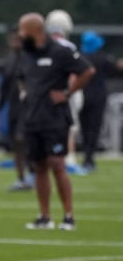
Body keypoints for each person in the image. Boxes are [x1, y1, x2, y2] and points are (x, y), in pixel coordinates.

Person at [17, 12, 95, 231]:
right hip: (32, 119)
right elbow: (21, 79)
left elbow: (87, 71)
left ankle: (68, 216)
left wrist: (68, 92)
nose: (20, 34)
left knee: (58, 164)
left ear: (36, 30)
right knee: (39, 167)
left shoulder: (61, 51)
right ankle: (44, 216)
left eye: (23, 30)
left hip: (55, 119)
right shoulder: (26, 54)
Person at [45, 9, 88, 175]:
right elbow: (77, 72)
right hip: (64, 90)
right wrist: (70, 91)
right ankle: (68, 157)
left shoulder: (46, 44)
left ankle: (51, 156)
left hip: (47, 91)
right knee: (69, 125)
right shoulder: (68, 46)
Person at [0, 27, 33, 191]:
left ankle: (33, 173)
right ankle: (21, 178)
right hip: (14, 107)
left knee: (23, 139)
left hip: (30, 107)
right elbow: (4, 88)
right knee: (15, 144)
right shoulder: (9, 61)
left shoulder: (30, 59)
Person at [79, 30, 122, 172]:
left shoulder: (79, 57)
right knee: (94, 128)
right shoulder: (103, 58)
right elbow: (116, 71)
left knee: (85, 127)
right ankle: (89, 158)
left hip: (82, 95)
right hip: (98, 95)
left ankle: (86, 155)